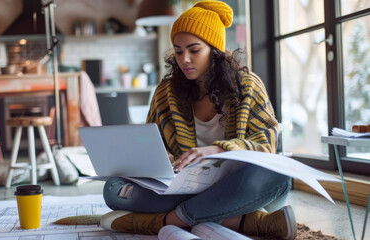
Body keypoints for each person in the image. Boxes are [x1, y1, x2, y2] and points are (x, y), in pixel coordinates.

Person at [100, 1, 296, 239]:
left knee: (278, 173)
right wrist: (162, 158)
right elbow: (150, 142)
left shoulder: (248, 85)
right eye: (178, 50)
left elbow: (266, 144)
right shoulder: (166, 92)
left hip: (238, 185)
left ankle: (165, 221)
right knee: (114, 189)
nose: (184, 59)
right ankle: (248, 221)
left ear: (215, 50)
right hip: (186, 187)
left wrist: (215, 150)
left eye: (194, 50)